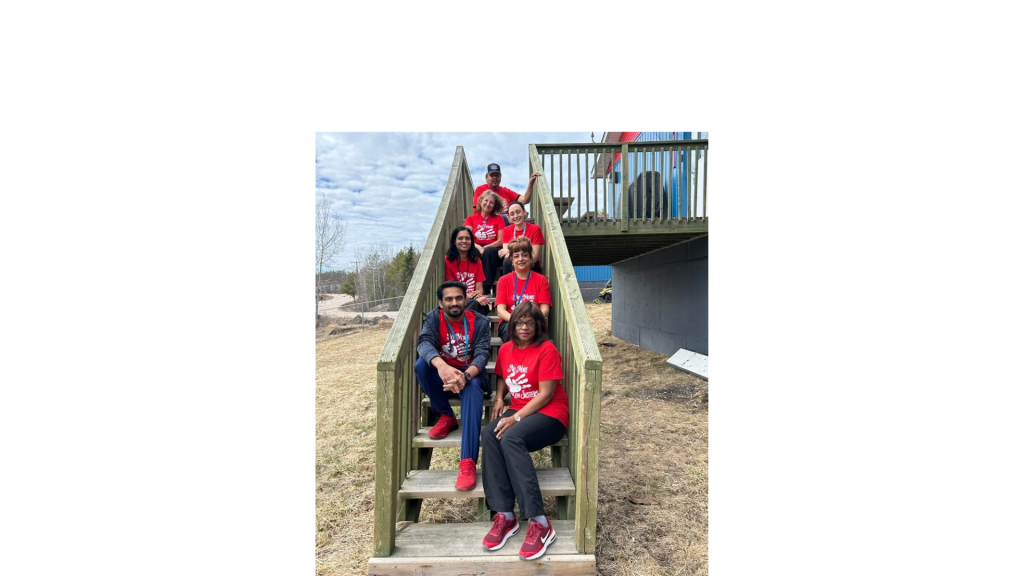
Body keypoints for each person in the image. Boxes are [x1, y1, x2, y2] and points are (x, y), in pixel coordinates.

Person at [480, 302, 567, 560]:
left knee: (511, 437)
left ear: (539, 325)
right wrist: (499, 398)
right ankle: (505, 515)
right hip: (519, 409)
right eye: (519, 322)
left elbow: (546, 394)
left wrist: (515, 418)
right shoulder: (506, 349)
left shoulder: (547, 350)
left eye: (530, 322)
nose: (524, 327)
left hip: (550, 414)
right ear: (512, 325)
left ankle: (540, 522)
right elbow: (502, 376)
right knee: (489, 434)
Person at [414, 280, 492, 490]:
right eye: (449, 299)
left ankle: (467, 462)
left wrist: (464, 376)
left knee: (473, 388)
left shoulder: (480, 322)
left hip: (471, 374)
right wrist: (442, 366)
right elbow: (424, 343)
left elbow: (483, 355)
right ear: (441, 303)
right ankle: (446, 416)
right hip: (444, 376)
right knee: (421, 365)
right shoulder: (433, 318)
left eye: (459, 298)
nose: (454, 302)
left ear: (466, 300)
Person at [494, 237, 550, 343]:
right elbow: (500, 311)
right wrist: (519, 323)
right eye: (516, 256)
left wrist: (530, 322)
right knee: (514, 332)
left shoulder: (541, 280)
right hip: (510, 321)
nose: (520, 259)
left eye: (524, 255)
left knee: (535, 333)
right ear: (512, 260)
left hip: (534, 322)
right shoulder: (503, 280)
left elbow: (545, 310)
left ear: (531, 258)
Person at [464, 190, 506, 295]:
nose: (488, 204)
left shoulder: (499, 219)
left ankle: (486, 287)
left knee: (489, 251)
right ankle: (473, 287)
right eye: (486, 200)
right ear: (481, 201)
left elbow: (500, 241)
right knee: (473, 251)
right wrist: (479, 247)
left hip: (493, 249)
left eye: (491, 202)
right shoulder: (471, 218)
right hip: (475, 246)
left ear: (494, 206)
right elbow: (466, 236)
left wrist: (485, 247)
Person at [444, 226, 490, 314]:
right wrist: (471, 296)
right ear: (454, 241)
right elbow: (451, 289)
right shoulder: (448, 260)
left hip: (473, 300)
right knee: (475, 304)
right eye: (460, 238)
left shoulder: (477, 261)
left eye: (467, 238)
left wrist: (477, 296)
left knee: (483, 305)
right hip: (455, 299)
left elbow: (479, 289)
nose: (464, 241)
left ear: (471, 242)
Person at [473, 163, 544, 217]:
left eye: (497, 175)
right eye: (492, 175)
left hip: (508, 225)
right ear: (486, 178)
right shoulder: (480, 189)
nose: (495, 177)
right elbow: (477, 210)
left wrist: (531, 183)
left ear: (500, 177)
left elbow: (525, 200)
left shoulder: (506, 191)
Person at [499, 201, 545, 275]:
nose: (516, 216)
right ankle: (508, 282)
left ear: (524, 212)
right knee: (507, 261)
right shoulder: (506, 230)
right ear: (509, 218)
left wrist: (511, 251)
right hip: (513, 263)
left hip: (531, 264)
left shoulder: (535, 229)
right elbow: (506, 255)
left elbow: (534, 256)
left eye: (518, 212)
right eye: (512, 214)